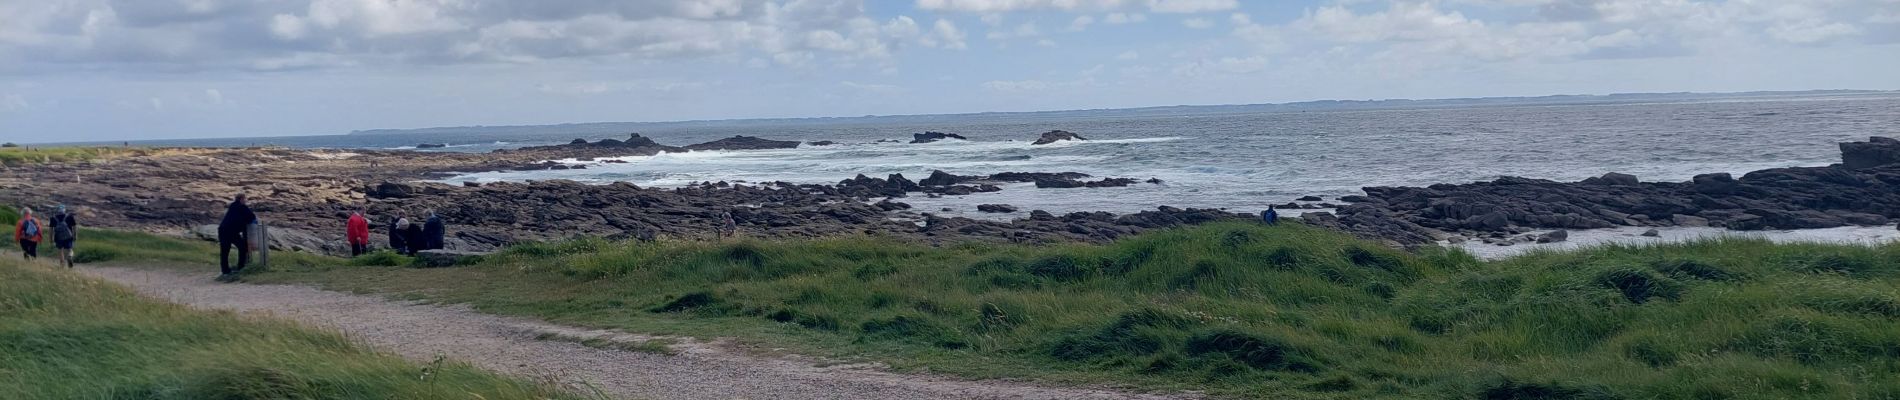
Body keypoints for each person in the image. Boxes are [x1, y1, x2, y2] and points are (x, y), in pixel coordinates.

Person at [217, 194, 257, 280]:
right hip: (232, 231)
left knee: (224, 252)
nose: (245, 201)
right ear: (242, 199)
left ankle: (225, 271)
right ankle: (241, 266)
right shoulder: (242, 207)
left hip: (223, 230)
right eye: (245, 199)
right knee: (243, 247)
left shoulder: (233, 206)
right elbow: (251, 216)